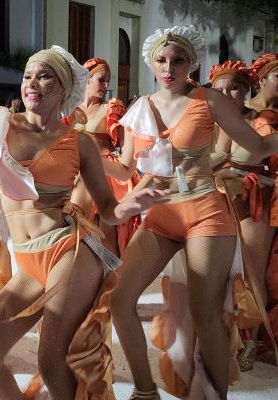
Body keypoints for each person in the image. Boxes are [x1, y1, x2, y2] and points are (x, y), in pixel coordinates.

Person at [0, 45, 167, 399]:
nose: (33, 83)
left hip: (69, 251)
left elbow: (107, 209)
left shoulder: (80, 143)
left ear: (63, 88)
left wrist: (131, 205)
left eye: (45, 76)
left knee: (50, 361)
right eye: (28, 76)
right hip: (27, 262)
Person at [110, 26, 278, 400]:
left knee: (206, 315)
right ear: (151, 62)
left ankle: (215, 395)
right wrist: (80, 150)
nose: (169, 67)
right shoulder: (140, 107)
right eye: (161, 60)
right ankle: (143, 390)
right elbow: (124, 170)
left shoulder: (209, 100)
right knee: (119, 300)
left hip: (206, 213)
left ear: (192, 63)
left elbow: (259, 145)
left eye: (178, 60)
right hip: (159, 216)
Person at [208, 60, 274, 372]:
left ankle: (252, 341)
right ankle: (225, 337)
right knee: (218, 275)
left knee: (253, 274)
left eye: (232, 87)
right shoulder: (211, 125)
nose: (225, 93)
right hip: (217, 203)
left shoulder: (260, 122)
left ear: (245, 89)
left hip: (253, 202)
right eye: (219, 89)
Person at [72, 57, 141, 256]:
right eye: (101, 80)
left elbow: (123, 144)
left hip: (104, 172)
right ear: (87, 79)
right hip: (75, 173)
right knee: (78, 227)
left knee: (105, 230)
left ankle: (111, 280)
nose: (106, 85)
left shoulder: (110, 108)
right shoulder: (72, 109)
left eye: (107, 81)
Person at [248, 53, 278, 365]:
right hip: (256, 196)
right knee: (259, 271)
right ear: (262, 78)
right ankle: (252, 339)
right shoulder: (246, 114)